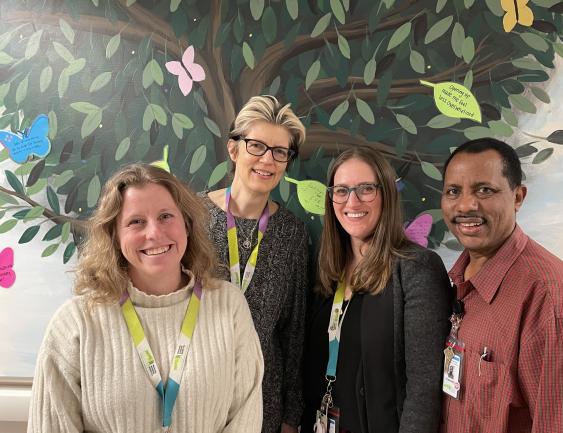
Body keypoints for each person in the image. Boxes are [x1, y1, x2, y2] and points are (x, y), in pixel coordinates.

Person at [28, 164, 263, 433]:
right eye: (136, 221)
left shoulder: (229, 307)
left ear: (186, 225)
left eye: (165, 216)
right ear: (114, 236)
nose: (154, 233)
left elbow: (246, 417)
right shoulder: (75, 324)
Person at [439, 138, 563, 433]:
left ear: (518, 197)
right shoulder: (458, 283)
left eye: (485, 190)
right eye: (453, 191)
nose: (466, 205)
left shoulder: (557, 306)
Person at [301, 146, 453, 433]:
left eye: (366, 189)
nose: (352, 201)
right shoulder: (325, 269)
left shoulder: (416, 269)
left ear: (386, 194)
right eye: (342, 190)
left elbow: (423, 388)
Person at [199, 95, 308, 433]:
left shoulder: (292, 233)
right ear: (234, 149)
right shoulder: (192, 218)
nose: (268, 160)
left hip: (264, 401)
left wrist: (291, 415)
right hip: (198, 392)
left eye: (280, 152)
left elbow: (294, 333)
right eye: (257, 146)